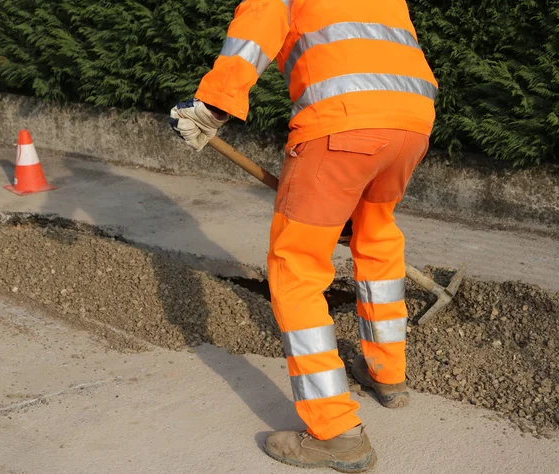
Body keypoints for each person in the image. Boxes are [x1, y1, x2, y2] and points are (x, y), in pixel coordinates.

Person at [169, 0, 437, 471]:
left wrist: (208, 110)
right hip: (411, 124)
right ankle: (387, 374)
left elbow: (252, 39)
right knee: (375, 239)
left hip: (340, 127)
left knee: (296, 268)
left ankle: (335, 433)